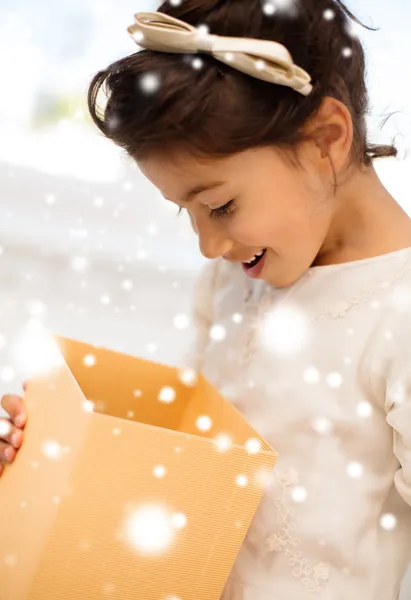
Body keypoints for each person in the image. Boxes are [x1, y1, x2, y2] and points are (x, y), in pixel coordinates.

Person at [1, 0, 411, 598]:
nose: (208, 244)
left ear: (327, 139)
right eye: (185, 212)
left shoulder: (397, 316)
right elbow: (182, 472)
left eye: (219, 206)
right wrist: (56, 460)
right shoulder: (235, 279)